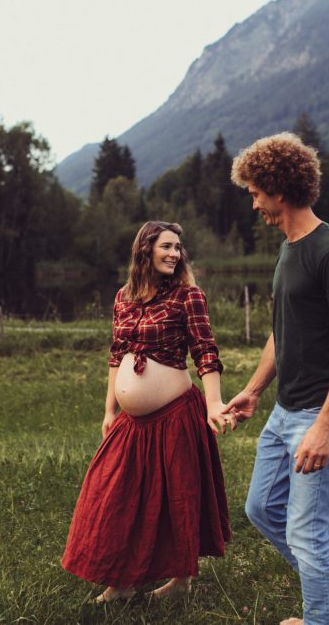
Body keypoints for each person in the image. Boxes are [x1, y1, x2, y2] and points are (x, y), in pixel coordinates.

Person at [223, 133, 329, 625]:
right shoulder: (289, 250)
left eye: (255, 191)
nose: (254, 202)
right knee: (262, 508)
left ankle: (322, 617)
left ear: (278, 190)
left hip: (318, 412)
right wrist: (253, 390)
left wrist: (325, 426)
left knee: (307, 530)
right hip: (286, 409)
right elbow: (282, 331)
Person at [62, 220, 235, 603]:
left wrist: (213, 403)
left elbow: (205, 351)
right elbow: (116, 354)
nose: (175, 253)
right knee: (113, 494)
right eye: (167, 246)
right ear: (146, 249)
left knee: (177, 498)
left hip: (175, 413)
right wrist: (109, 410)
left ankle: (181, 581)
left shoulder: (188, 296)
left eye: (178, 247)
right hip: (132, 421)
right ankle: (121, 582)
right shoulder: (124, 296)